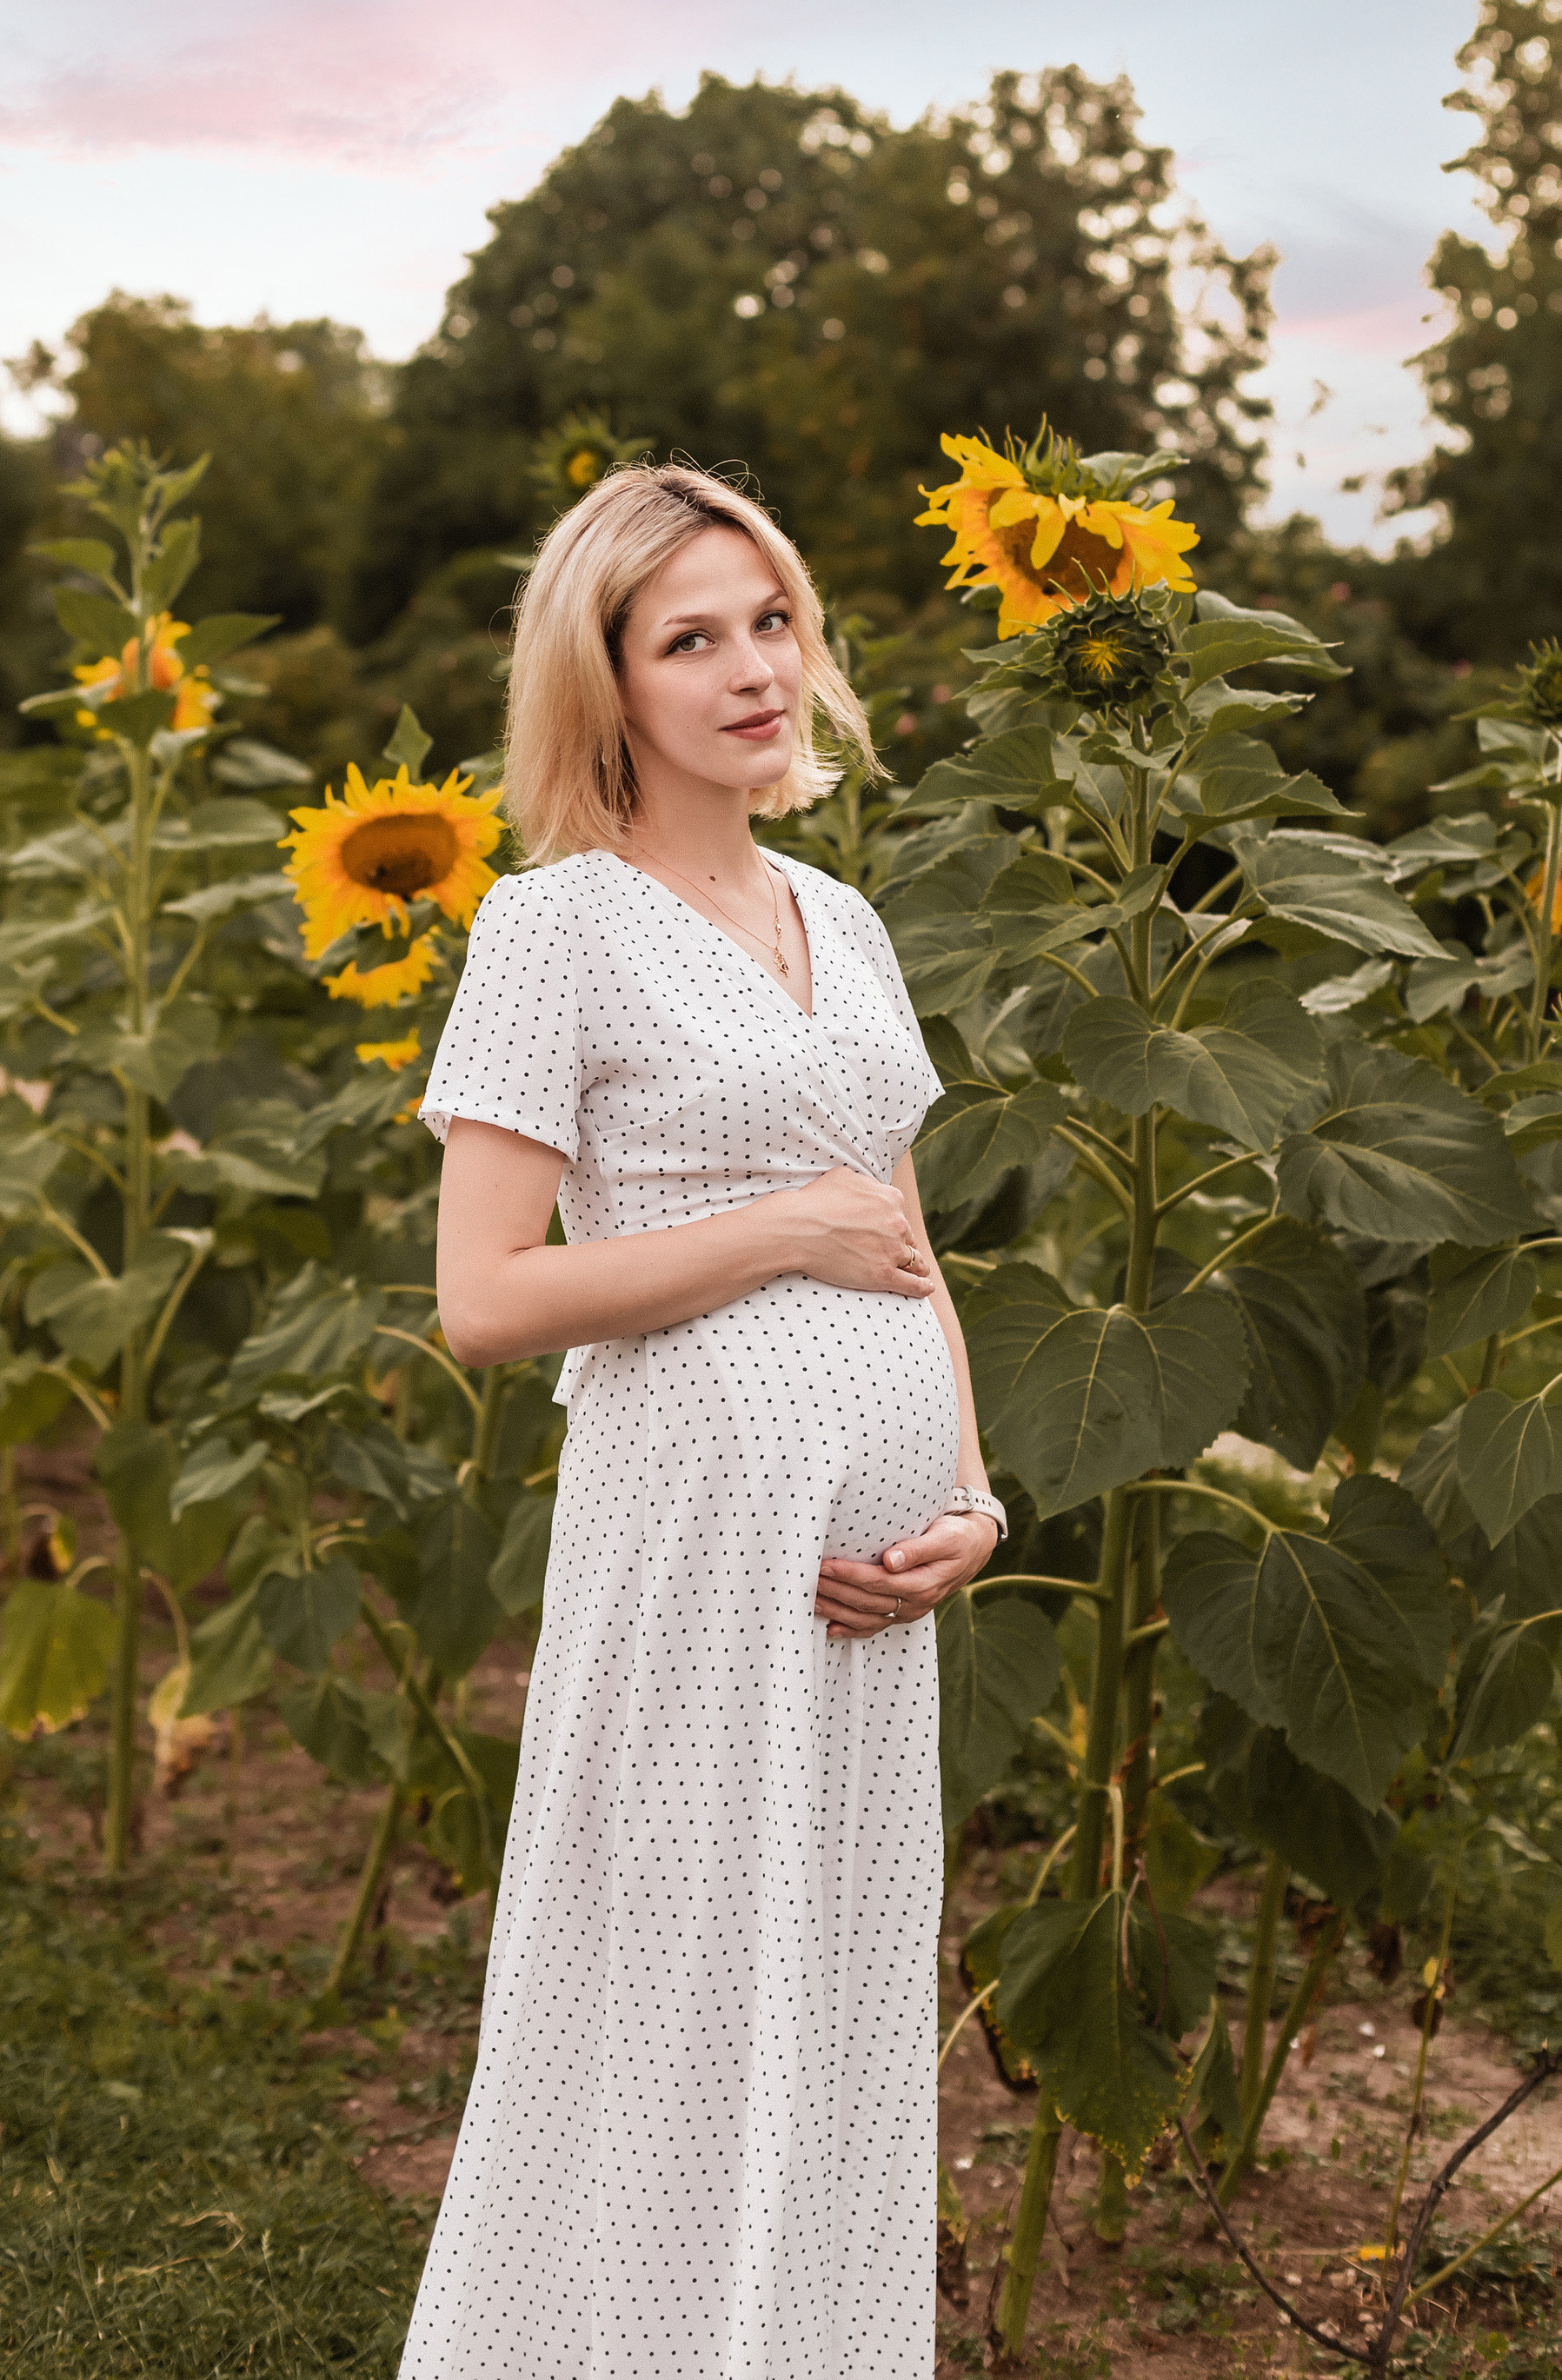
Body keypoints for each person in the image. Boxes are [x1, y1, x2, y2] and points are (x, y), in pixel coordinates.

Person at [398, 464, 1002, 2380]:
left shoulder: (842, 914)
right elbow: (481, 1298)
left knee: (827, 2001)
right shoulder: (554, 924)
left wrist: (971, 1500)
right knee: (673, 1993)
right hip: (690, 1558)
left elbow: (904, 1244)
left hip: (861, 1600)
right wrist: (777, 1233)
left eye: (769, 621)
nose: (751, 669)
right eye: (690, 638)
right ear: (608, 685)